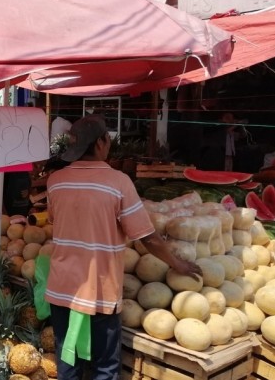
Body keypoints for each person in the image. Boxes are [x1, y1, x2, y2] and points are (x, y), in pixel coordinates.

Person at [45, 114, 201, 380]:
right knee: (105, 367)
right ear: (101, 142)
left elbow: (55, 220)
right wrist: (179, 264)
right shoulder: (118, 182)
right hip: (99, 290)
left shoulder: (55, 181)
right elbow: (147, 237)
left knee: (67, 359)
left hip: (62, 287)